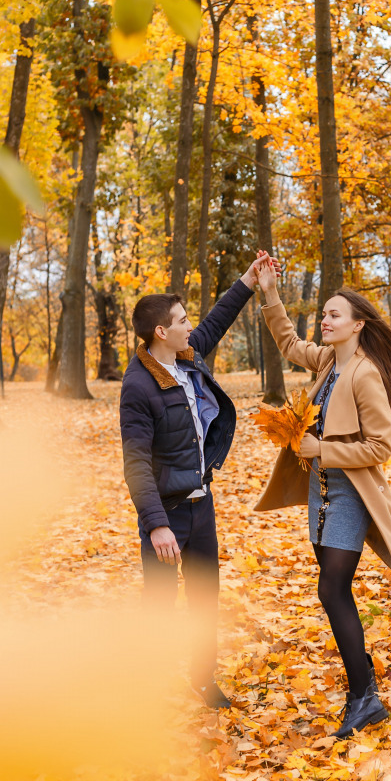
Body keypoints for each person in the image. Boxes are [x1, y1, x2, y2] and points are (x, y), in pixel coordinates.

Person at [254, 261, 391, 738]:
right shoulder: (328, 363)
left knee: (331, 589)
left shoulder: (364, 374)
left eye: (335, 315)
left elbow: (381, 447)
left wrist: (324, 449)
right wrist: (270, 292)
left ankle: (365, 698)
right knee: (332, 587)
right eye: (324, 314)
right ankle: (364, 679)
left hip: (351, 494)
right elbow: (289, 344)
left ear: (358, 323)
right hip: (319, 494)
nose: (326, 320)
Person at [119, 252, 280, 709]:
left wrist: (249, 281)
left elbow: (217, 320)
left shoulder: (186, 356)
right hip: (166, 516)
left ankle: (202, 679)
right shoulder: (138, 387)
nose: (190, 325)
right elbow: (136, 465)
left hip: (201, 506)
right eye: (181, 320)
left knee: (205, 601)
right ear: (160, 333)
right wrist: (156, 525)